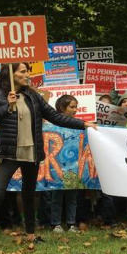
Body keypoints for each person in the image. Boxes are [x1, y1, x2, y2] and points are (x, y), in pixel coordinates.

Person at [0, 63, 95, 252]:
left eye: (27, 71)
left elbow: (55, 116)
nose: (27, 74)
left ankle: (30, 234)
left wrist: (83, 124)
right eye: (23, 71)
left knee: (29, 195)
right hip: (9, 153)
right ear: (11, 74)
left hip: (31, 153)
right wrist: (8, 105)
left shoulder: (32, 95)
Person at [47, 95, 80, 233]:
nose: (75, 110)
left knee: (72, 196)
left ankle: (71, 223)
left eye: (76, 107)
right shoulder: (52, 125)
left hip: (73, 165)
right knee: (56, 196)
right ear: (62, 108)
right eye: (72, 107)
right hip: (57, 166)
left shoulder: (78, 123)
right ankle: (56, 223)